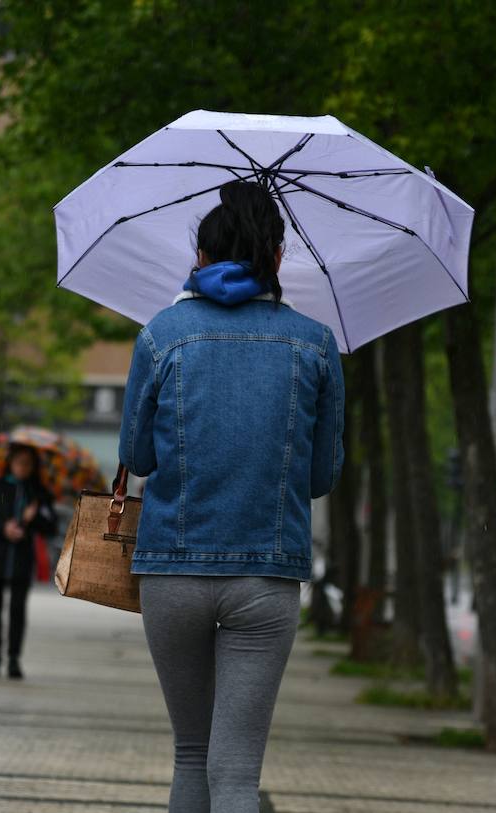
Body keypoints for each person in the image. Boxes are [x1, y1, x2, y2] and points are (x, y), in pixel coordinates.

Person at [118, 181, 344, 813]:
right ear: (277, 257)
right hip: (266, 576)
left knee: (191, 754)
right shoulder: (315, 343)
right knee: (238, 774)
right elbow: (322, 478)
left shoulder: (162, 335)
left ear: (200, 256)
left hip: (172, 572)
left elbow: (137, 457)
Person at [0, 444, 58, 679]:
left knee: (18, 609)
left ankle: (13, 658)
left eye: (28, 464)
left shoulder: (38, 491)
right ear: (10, 462)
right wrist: (3, 529)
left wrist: (33, 517)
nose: (23, 467)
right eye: (19, 462)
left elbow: (51, 526)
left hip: (22, 557)